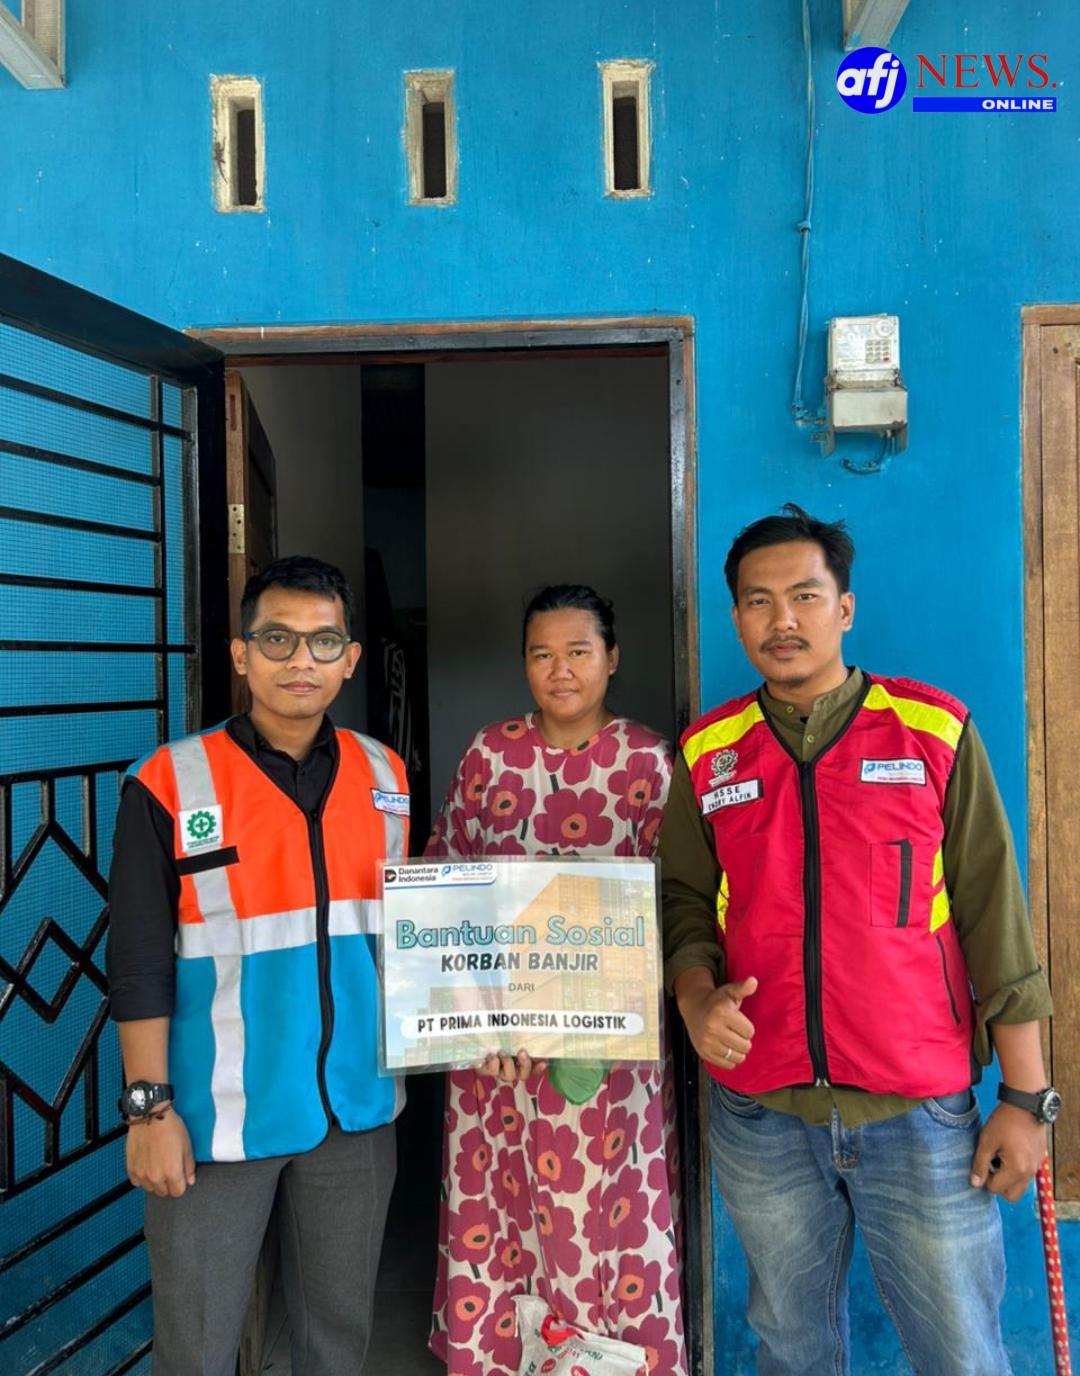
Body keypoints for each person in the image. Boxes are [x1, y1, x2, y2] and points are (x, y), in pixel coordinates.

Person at [661, 504, 1056, 1376]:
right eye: (759, 602)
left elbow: (994, 916)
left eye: (805, 596)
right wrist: (695, 997)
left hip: (919, 1112)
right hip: (761, 1113)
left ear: (844, 608)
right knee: (791, 1347)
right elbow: (684, 899)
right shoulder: (709, 754)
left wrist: (1026, 1101)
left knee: (962, 1353)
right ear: (736, 619)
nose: (783, 620)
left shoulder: (932, 733)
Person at [107, 555, 409, 1376]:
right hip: (214, 1116)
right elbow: (137, 961)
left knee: (336, 1341)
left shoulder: (386, 775)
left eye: (323, 642)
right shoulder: (169, 782)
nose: (300, 660)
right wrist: (148, 1110)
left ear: (350, 658)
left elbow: (409, 933)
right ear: (241, 653)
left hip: (355, 1107)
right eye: (277, 639)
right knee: (198, 1347)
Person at [426, 585, 687, 1376]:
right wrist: (471, 1020)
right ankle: (501, 1357)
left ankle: (603, 1360)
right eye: (542, 654)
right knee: (499, 1202)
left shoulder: (648, 762)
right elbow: (445, 876)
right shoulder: (489, 753)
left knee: (603, 1208)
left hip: (608, 1050)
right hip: (498, 1046)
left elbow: (675, 897)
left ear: (612, 658)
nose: (560, 670)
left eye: (579, 652)